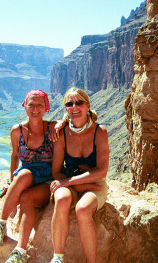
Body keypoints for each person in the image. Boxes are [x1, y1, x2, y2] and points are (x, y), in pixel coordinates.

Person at [0, 89, 57, 263]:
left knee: (26, 198)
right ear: (24, 106)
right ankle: (1, 224)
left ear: (46, 107)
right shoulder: (17, 131)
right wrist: (11, 183)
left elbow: (71, 123)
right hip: (27, 176)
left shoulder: (52, 128)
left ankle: (20, 251)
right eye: (31, 104)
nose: (35, 108)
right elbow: (14, 156)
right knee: (24, 175)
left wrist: (62, 123)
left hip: (48, 179)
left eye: (39, 105)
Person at [49, 87, 109, 263]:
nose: (74, 107)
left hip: (94, 183)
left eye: (79, 102)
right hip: (67, 179)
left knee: (82, 209)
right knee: (61, 200)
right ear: (66, 109)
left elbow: (102, 171)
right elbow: (56, 171)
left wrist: (72, 182)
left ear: (88, 105)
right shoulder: (61, 134)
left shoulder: (100, 132)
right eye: (69, 103)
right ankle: (57, 258)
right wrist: (75, 185)